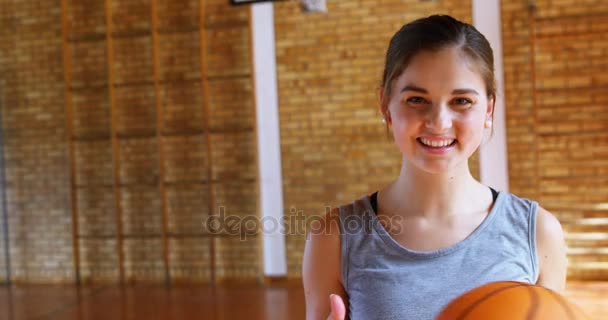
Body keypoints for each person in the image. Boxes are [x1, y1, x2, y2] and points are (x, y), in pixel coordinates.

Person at [302, 14, 567, 320]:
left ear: (489, 109)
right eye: (416, 99)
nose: (438, 122)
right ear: (385, 105)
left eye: (462, 101)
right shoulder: (334, 236)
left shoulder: (537, 233)